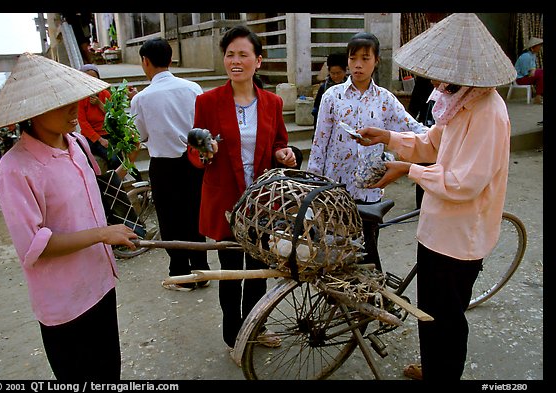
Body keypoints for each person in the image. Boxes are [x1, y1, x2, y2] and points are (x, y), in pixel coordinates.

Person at [355, 13, 515, 380]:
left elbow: (464, 183)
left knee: (448, 317)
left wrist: (406, 170)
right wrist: (388, 137)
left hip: (460, 237)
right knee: (429, 310)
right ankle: (433, 369)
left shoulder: (489, 112)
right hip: (435, 229)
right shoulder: (457, 101)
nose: (435, 79)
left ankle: (445, 375)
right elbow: (431, 144)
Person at [0, 53, 139, 380]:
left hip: (100, 284)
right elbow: (34, 245)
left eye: (73, 99)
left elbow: (97, 191)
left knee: (109, 372)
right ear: (31, 113)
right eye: (60, 103)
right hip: (64, 304)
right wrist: (103, 234)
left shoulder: (77, 144)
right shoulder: (16, 169)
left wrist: (127, 156)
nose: (74, 108)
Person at [187, 25, 297, 363]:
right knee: (231, 272)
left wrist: (286, 153)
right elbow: (194, 150)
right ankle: (233, 334)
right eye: (230, 54)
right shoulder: (207, 102)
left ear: (258, 61)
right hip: (225, 202)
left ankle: (255, 327)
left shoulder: (273, 103)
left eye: (243, 55)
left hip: (263, 204)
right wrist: (205, 154)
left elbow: (280, 142)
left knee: (259, 271)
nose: (236, 61)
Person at [306, 32, 427, 259]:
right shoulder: (332, 96)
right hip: (334, 190)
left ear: (376, 61)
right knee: (334, 258)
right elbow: (319, 143)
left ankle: (371, 295)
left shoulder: (385, 99)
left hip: (370, 192)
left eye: (365, 58)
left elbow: (413, 128)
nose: (358, 65)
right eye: (353, 59)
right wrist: (314, 186)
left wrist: (446, 137)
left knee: (367, 255)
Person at [130, 37, 210, 291]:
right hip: (193, 162)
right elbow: (202, 125)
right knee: (194, 215)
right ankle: (202, 269)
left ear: (146, 61)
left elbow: (139, 136)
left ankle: (179, 272)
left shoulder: (141, 99)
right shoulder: (192, 88)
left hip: (163, 166)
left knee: (170, 220)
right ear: (170, 58)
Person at [77, 64, 141, 180]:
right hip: (93, 137)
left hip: (108, 133)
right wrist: (100, 139)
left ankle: (139, 181)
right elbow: (83, 123)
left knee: (126, 153)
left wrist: (99, 104)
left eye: (95, 78)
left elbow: (112, 114)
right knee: (114, 159)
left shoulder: (104, 94)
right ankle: (116, 182)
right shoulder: (81, 99)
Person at [407, 75, 436, 208]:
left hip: (435, 127)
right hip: (425, 125)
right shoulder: (424, 80)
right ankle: (421, 204)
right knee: (424, 164)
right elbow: (414, 103)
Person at [312, 51, 348, 126]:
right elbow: (317, 110)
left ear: (345, 71)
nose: (335, 76)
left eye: (338, 73)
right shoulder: (324, 88)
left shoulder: (351, 87)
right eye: (333, 73)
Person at [514, 37, 543, 104]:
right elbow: (525, 73)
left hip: (528, 77)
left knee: (541, 74)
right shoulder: (526, 56)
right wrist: (533, 71)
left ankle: (539, 96)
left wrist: (534, 71)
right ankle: (538, 96)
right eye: (539, 46)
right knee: (541, 73)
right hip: (521, 79)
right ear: (533, 47)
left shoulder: (533, 55)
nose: (540, 48)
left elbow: (533, 69)